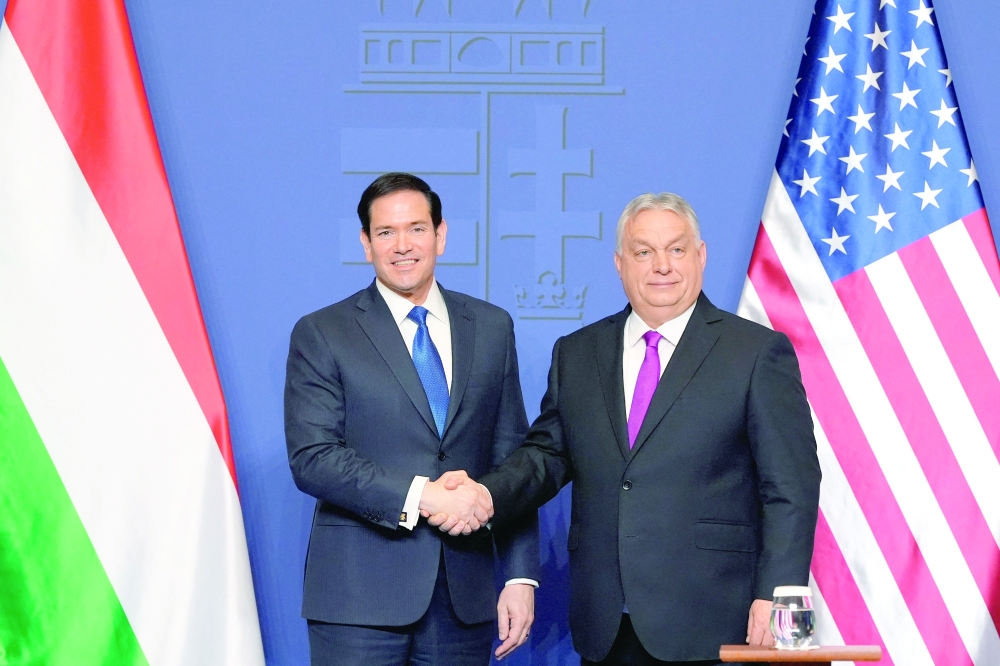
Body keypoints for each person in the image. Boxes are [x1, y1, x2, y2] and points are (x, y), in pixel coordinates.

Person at [435, 192, 821, 664]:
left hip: (716, 619)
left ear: (700, 257)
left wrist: (778, 597)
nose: (662, 265)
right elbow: (545, 457)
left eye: (676, 249)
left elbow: (792, 486)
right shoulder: (577, 353)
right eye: (643, 252)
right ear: (620, 263)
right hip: (606, 622)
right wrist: (486, 495)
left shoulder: (757, 353)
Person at [284, 172, 540, 665]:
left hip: (463, 599)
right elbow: (313, 458)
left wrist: (518, 576)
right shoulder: (324, 332)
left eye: (417, 229)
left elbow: (514, 461)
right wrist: (422, 494)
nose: (403, 245)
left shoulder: (490, 327)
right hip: (359, 603)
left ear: (441, 235)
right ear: (366, 243)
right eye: (386, 232)